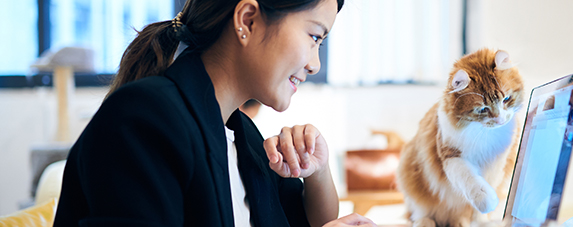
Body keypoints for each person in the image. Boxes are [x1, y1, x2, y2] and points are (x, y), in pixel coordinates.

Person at [53, 0, 376, 226]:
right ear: (247, 19)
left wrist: (315, 171)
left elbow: (310, 220)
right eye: (314, 36)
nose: (314, 64)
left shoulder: (242, 134)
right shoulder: (143, 118)